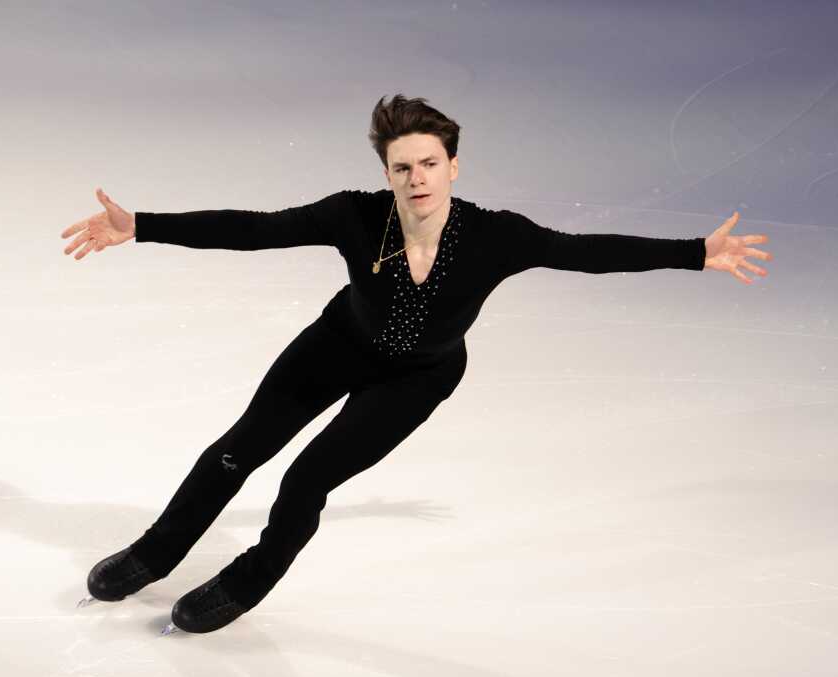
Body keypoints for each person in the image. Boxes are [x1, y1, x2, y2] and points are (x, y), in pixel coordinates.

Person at [61, 94, 772, 635]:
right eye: (403, 166)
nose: (417, 177)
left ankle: (250, 579)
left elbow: (587, 253)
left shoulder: (497, 237)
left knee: (308, 477)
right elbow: (256, 229)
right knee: (237, 450)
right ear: (387, 172)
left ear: (453, 166)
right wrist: (145, 227)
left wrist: (695, 252)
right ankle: (154, 554)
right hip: (336, 343)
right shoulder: (353, 215)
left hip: (418, 376)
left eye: (430, 163)